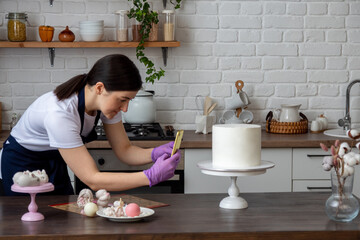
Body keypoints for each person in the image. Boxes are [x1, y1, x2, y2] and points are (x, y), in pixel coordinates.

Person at [0, 54, 181, 196]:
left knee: (63, 221)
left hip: (53, 163)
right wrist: (149, 177)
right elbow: (93, 179)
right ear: (100, 88)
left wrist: (155, 153)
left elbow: (124, 150)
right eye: (123, 100)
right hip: (22, 166)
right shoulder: (60, 114)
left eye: (129, 101)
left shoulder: (105, 106)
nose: (125, 109)